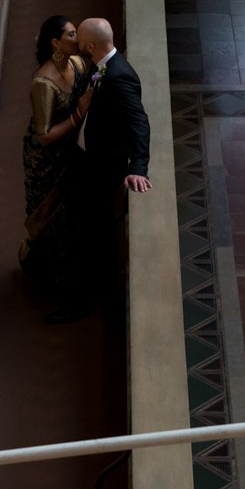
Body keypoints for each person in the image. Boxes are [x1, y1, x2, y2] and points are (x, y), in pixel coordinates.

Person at [47, 17, 150, 324]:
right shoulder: (101, 65)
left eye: (79, 39)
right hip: (87, 160)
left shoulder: (119, 76)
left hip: (102, 171)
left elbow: (139, 123)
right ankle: (93, 297)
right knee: (86, 232)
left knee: (91, 237)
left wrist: (139, 167)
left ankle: (85, 304)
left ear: (90, 46)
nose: (76, 43)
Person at [20, 15, 86, 301]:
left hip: (72, 152)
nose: (78, 37)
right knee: (50, 218)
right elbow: (44, 135)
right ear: (56, 43)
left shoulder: (80, 64)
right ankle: (49, 279)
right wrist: (77, 114)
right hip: (46, 163)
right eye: (72, 33)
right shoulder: (43, 84)